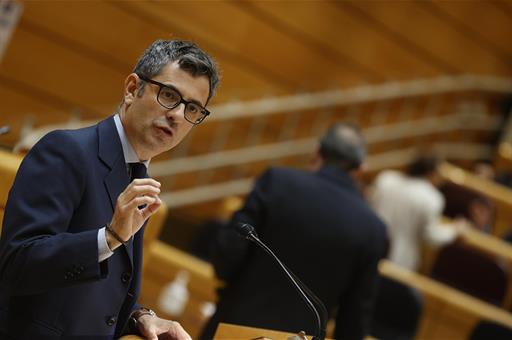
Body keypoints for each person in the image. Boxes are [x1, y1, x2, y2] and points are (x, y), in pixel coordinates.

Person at [0, 39, 219, 339]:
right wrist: (110, 236)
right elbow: (18, 264)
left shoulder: (137, 173)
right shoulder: (67, 151)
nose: (178, 115)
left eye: (192, 108)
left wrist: (140, 317)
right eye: (169, 95)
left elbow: (92, 292)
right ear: (132, 89)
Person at [200, 123, 388, 340]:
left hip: (234, 327)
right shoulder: (373, 228)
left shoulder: (277, 181)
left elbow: (228, 250)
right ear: (360, 170)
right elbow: (354, 318)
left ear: (317, 151)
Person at [370, 155, 464, 272]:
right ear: (431, 173)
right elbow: (430, 236)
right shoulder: (432, 198)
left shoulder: (386, 179)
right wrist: (453, 231)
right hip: (399, 263)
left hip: (369, 246)